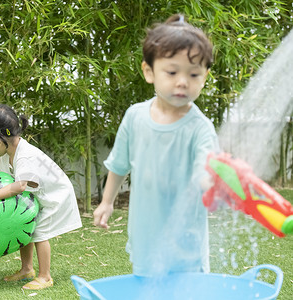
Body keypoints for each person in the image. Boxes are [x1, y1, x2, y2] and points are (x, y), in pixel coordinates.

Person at [93, 14, 219, 276]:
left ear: (205, 76)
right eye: (172, 72)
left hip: (187, 245)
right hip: (145, 238)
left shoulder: (200, 127)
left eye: (194, 73)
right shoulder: (135, 116)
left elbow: (205, 171)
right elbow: (118, 164)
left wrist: (211, 182)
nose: (182, 81)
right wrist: (107, 202)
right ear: (149, 72)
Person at [0, 104, 82, 290]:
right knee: (26, 226)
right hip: (42, 194)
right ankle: (27, 269)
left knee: (39, 233)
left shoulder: (25, 156)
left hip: (55, 197)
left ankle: (45, 277)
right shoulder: (12, 149)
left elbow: (20, 186)